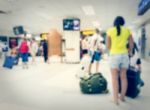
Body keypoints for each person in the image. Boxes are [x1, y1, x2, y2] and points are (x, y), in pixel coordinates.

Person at [106, 16, 133, 105]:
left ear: (115, 22)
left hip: (114, 55)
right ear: (123, 23)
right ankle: (122, 97)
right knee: (123, 77)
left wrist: (114, 49)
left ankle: (115, 100)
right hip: (124, 55)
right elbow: (131, 44)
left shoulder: (110, 31)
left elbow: (108, 46)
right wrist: (128, 51)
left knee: (114, 78)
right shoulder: (127, 30)